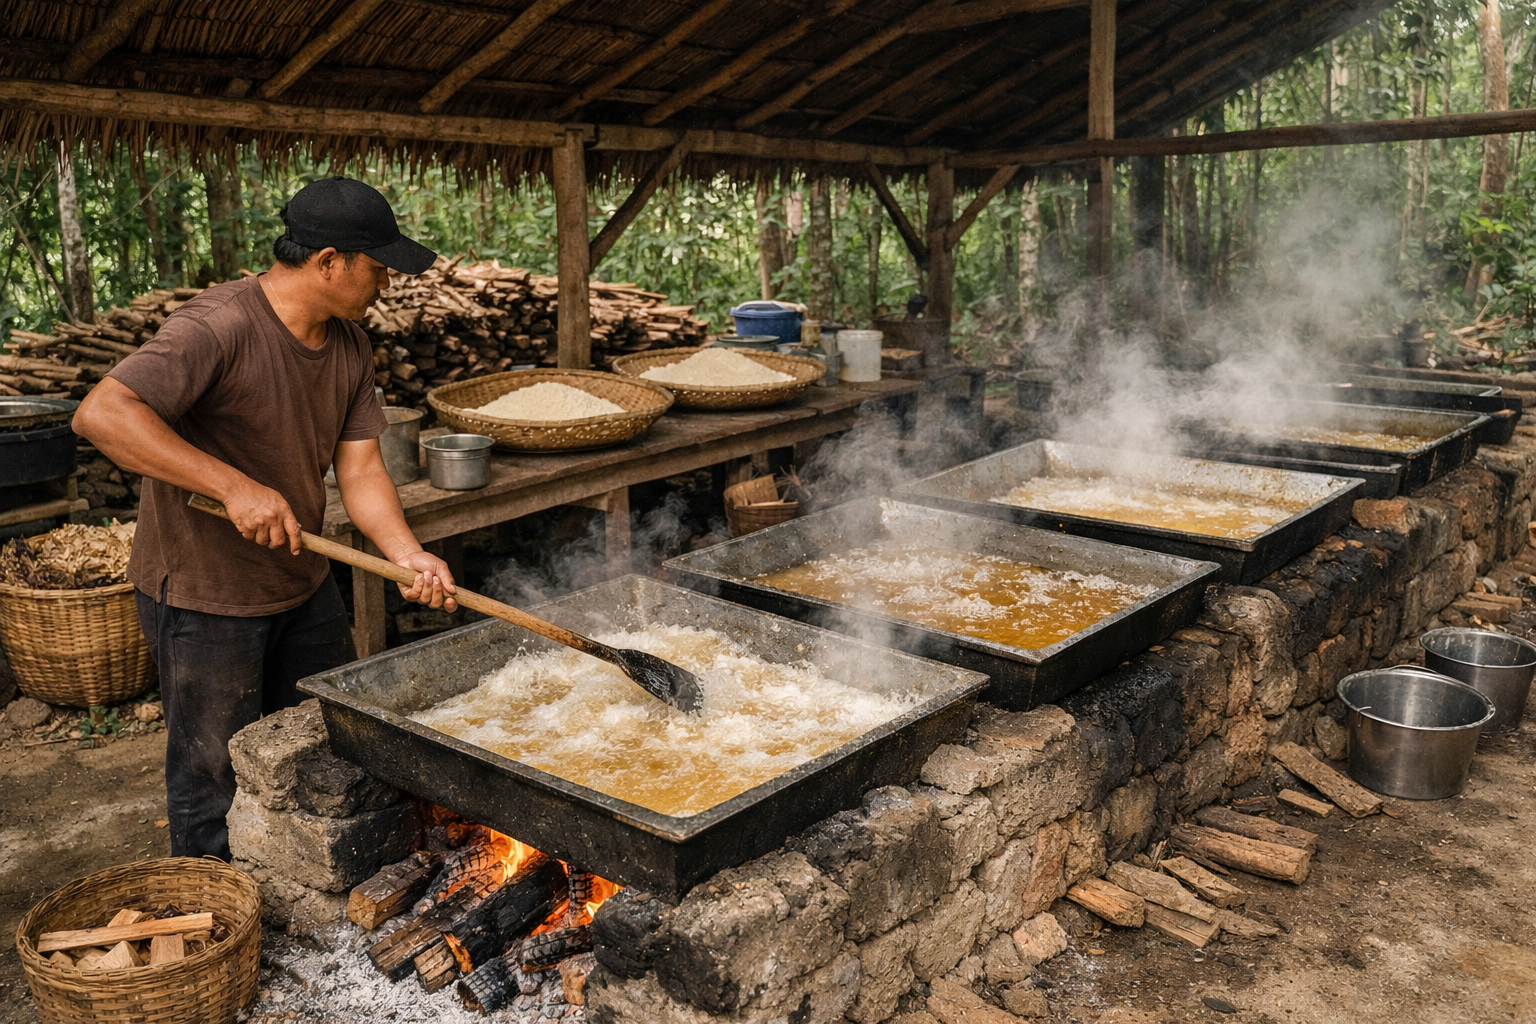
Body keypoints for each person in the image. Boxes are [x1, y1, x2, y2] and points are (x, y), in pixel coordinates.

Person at [73, 177, 457, 860]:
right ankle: (216, 917)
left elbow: (362, 470)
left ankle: (312, 890)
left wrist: (406, 552)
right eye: (378, 268)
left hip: (301, 583)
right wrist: (231, 484)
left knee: (332, 742)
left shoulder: (348, 347)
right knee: (212, 774)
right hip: (204, 596)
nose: (386, 286)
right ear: (329, 260)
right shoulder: (217, 327)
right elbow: (102, 414)